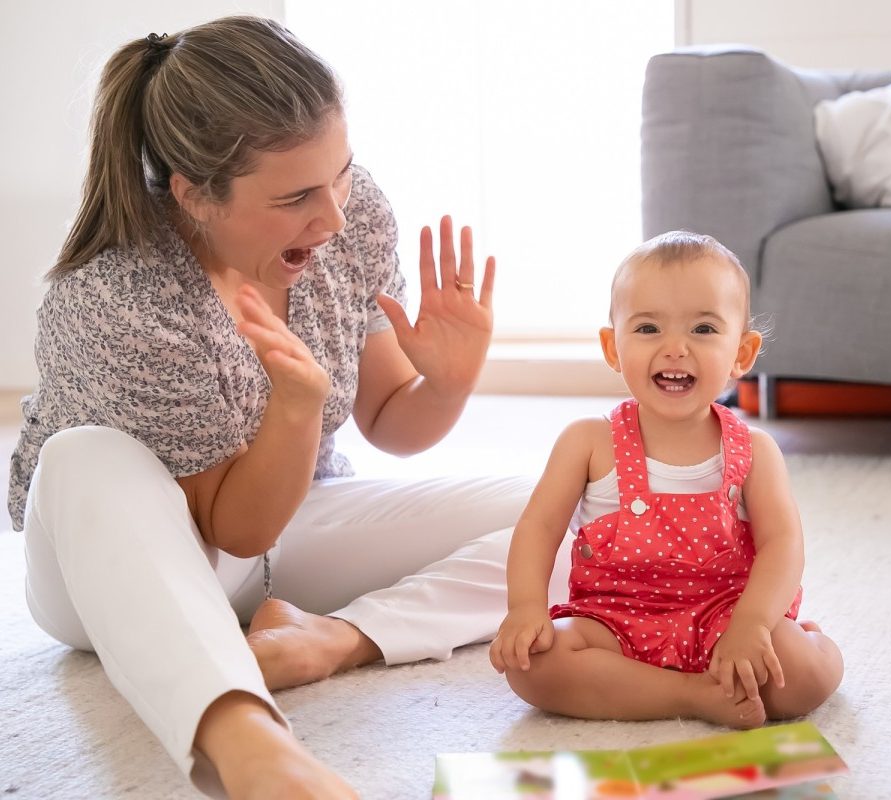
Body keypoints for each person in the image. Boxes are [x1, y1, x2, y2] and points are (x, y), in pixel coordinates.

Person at [9, 16, 568, 800]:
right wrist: (295, 410)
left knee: (589, 506)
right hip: (117, 560)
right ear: (195, 194)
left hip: (295, 520)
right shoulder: (114, 298)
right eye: (297, 196)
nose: (334, 216)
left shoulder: (350, 211)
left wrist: (444, 383)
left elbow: (387, 419)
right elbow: (233, 530)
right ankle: (254, 755)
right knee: (83, 457)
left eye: (339, 173)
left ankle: (332, 641)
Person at [489, 231, 844, 728]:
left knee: (800, 677)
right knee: (535, 668)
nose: (675, 348)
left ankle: (810, 638)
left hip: (727, 617)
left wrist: (753, 624)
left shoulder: (754, 451)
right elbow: (538, 528)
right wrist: (525, 608)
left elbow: (784, 544)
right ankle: (690, 695)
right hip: (613, 622)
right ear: (613, 347)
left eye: (702, 329)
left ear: (742, 354)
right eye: (649, 328)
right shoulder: (588, 443)